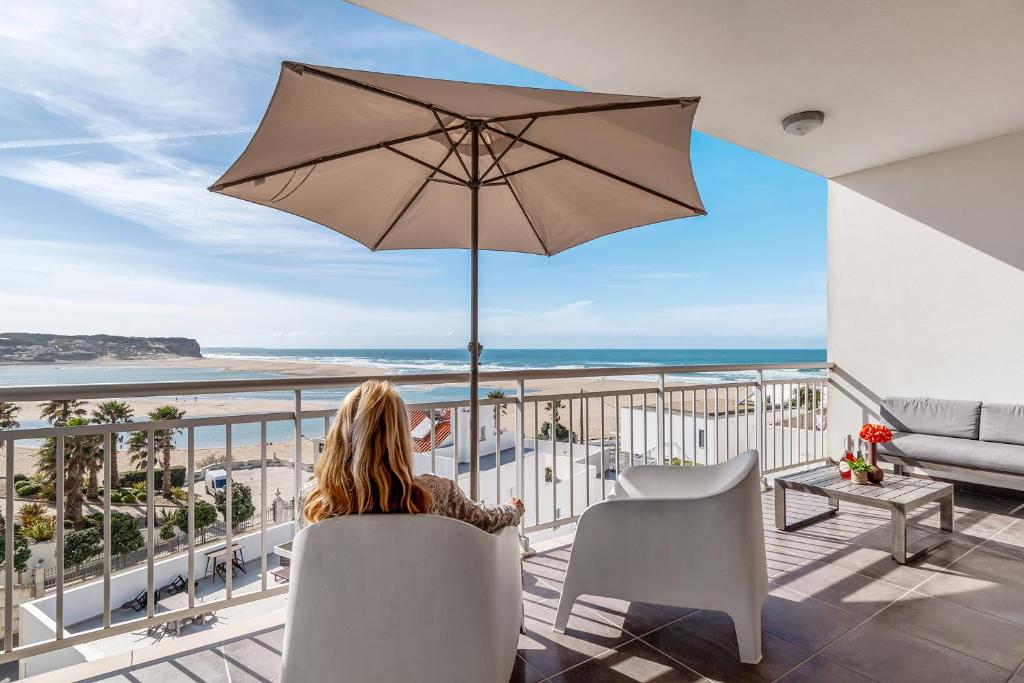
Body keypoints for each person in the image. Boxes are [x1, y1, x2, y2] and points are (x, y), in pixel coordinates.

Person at [300, 379, 524, 533]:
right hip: (422, 591)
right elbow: (486, 520)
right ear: (400, 440)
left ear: (339, 435)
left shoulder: (314, 499)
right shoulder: (437, 494)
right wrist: (513, 509)